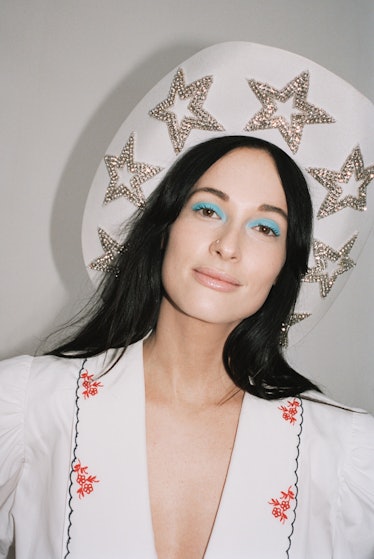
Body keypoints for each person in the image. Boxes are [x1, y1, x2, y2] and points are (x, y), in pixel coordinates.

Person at [1, 43, 374, 559]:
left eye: (265, 227)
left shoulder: (349, 454)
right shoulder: (24, 407)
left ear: (285, 267)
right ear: (163, 228)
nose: (228, 245)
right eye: (206, 211)